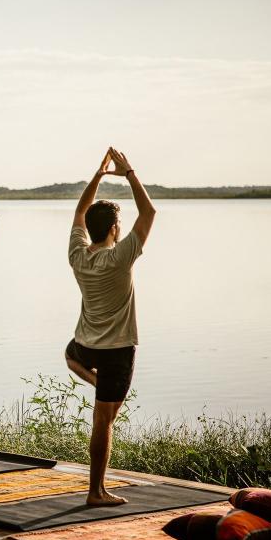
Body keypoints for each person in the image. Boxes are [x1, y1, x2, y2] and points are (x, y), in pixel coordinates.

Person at [65, 147, 156, 505]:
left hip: (85, 347)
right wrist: (128, 171)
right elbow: (149, 211)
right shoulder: (121, 256)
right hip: (117, 351)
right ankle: (96, 492)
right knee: (104, 421)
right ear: (115, 229)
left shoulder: (78, 255)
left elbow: (77, 212)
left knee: (71, 353)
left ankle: (88, 373)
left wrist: (99, 175)